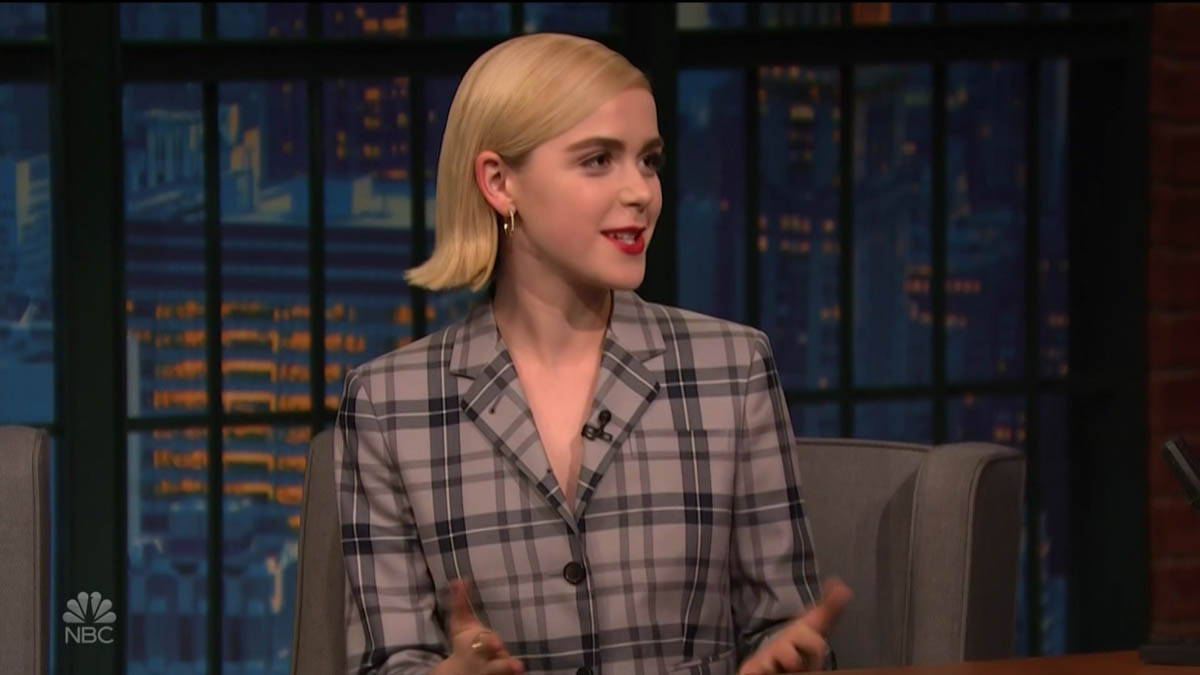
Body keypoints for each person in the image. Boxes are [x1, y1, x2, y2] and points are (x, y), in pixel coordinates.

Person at [333, 32, 852, 675]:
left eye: (649, 161)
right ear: (499, 181)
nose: (641, 192)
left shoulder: (732, 369)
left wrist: (790, 659)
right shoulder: (389, 406)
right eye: (599, 160)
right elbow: (388, 660)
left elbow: (781, 626)